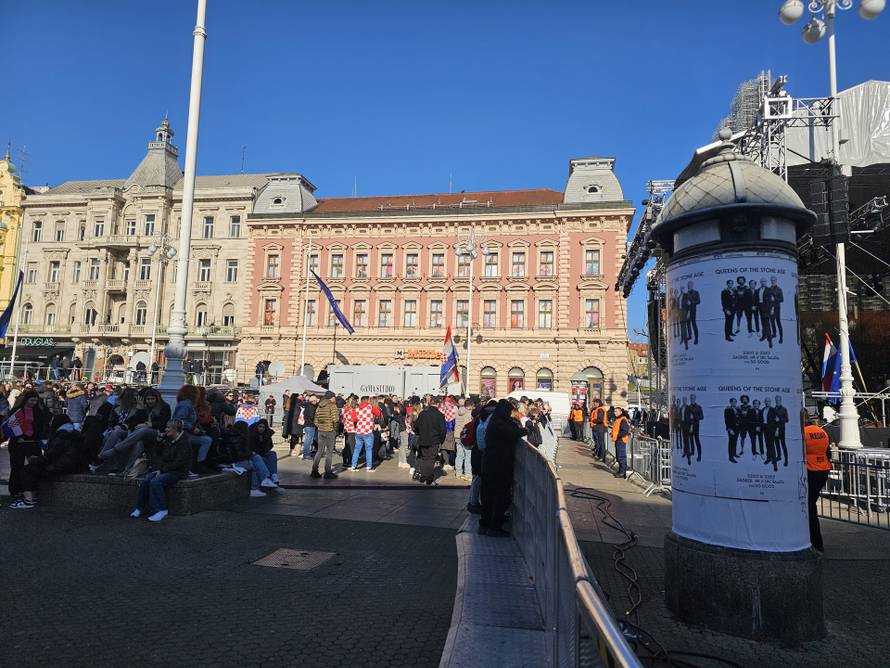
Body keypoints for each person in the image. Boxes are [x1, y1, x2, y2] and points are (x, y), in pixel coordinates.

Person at [10, 415, 91, 509]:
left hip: (61, 466)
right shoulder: (74, 433)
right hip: (74, 465)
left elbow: (50, 456)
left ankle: (29, 500)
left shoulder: (61, 435)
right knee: (34, 468)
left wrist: (36, 459)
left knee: (27, 470)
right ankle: (33, 496)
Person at [130, 420, 192, 522]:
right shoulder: (168, 439)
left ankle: (161, 510)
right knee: (146, 480)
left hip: (179, 471)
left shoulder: (185, 442)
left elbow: (179, 463)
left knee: (156, 481)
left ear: (175, 429)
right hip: (165, 469)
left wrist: (162, 470)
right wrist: (158, 442)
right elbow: (159, 455)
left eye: (168, 428)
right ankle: (140, 508)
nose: (166, 429)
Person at [479, 399, 526, 536]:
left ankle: (485, 523)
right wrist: (524, 430)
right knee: (500, 495)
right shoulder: (499, 423)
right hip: (499, 465)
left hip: (489, 463)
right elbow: (513, 432)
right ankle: (494, 526)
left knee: (488, 495)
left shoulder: (494, 419)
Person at [3, 390, 51, 502]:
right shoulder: (17, 410)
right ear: (26, 400)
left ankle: (31, 489)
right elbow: (10, 426)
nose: (34, 402)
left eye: (36, 400)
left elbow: (42, 426)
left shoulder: (38, 411)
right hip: (18, 442)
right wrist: (17, 437)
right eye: (32, 400)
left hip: (32, 441)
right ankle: (15, 490)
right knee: (17, 466)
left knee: (35, 465)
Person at [804, 418, 831, 552]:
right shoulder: (822, 432)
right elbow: (828, 452)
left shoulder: (803, 433)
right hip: (823, 469)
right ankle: (816, 541)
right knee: (811, 504)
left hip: (810, 470)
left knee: (809, 507)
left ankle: (815, 541)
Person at [412, 396, 446, 485]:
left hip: (423, 439)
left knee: (425, 458)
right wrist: (441, 440)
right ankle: (429, 478)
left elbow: (416, 426)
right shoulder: (440, 415)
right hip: (434, 440)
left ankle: (424, 477)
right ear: (438, 404)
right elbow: (443, 431)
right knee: (431, 459)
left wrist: (420, 433)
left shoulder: (423, 413)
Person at [311, 391, 339, 479]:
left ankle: (314, 471)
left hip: (320, 431)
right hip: (329, 431)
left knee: (319, 451)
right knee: (329, 452)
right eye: (334, 397)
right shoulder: (332, 405)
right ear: (331, 397)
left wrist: (320, 426)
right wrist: (334, 428)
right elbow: (335, 419)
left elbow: (315, 419)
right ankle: (328, 472)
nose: (335, 398)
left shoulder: (319, 406)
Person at [350, 395, 381, 471]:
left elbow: (353, 419)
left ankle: (353, 466)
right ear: (368, 400)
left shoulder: (357, 409)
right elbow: (378, 413)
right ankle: (369, 467)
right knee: (368, 449)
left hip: (359, 431)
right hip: (368, 431)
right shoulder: (370, 407)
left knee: (357, 449)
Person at [454, 398, 475, 481]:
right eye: (472, 406)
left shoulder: (458, 412)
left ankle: (458, 473)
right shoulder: (469, 414)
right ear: (470, 406)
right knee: (468, 456)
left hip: (457, 436)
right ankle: (468, 474)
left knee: (459, 455)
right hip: (465, 437)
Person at [611, 406, 630, 478]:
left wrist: (618, 435)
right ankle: (621, 470)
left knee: (621, 456)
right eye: (614, 411)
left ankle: (622, 472)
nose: (615, 413)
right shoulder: (618, 419)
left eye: (616, 411)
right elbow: (617, 429)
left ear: (620, 412)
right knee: (618, 456)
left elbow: (625, 431)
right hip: (618, 439)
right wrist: (613, 433)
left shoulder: (623, 419)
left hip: (621, 440)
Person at [685, 394, 703, 463]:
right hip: (689, 426)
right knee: (691, 440)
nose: (692, 399)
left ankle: (699, 455)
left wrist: (694, 417)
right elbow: (686, 416)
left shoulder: (699, 407)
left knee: (697, 440)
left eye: (693, 398)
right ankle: (692, 451)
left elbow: (701, 417)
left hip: (696, 426)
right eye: (691, 398)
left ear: (695, 399)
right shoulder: (688, 407)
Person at [301, 394, 319, 460]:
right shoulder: (312, 407)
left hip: (307, 425)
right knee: (309, 440)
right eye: (316, 400)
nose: (316, 402)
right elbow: (312, 416)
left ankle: (305, 454)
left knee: (307, 440)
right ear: (313, 401)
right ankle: (306, 455)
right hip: (310, 425)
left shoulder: (307, 406)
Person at [725, 398, 740, 463]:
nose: (734, 403)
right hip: (731, 429)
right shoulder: (727, 409)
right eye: (733, 402)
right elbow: (726, 420)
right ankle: (730, 457)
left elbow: (740, 417)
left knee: (735, 441)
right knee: (731, 442)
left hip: (737, 428)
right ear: (730, 402)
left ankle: (734, 453)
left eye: (735, 402)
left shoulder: (737, 409)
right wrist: (729, 429)